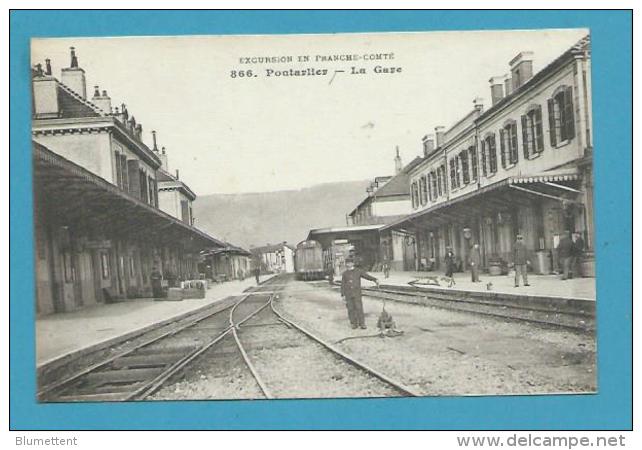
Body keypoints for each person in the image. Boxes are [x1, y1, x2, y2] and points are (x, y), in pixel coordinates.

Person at [341, 258, 380, 329]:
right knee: (350, 309)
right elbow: (343, 285)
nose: (348, 264)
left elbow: (366, 276)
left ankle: (362, 324)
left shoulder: (358, 271)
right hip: (348, 295)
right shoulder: (344, 274)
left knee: (359, 308)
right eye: (347, 263)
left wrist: (375, 279)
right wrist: (343, 294)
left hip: (357, 294)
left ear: (353, 263)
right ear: (346, 264)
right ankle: (354, 324)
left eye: (350, 263)